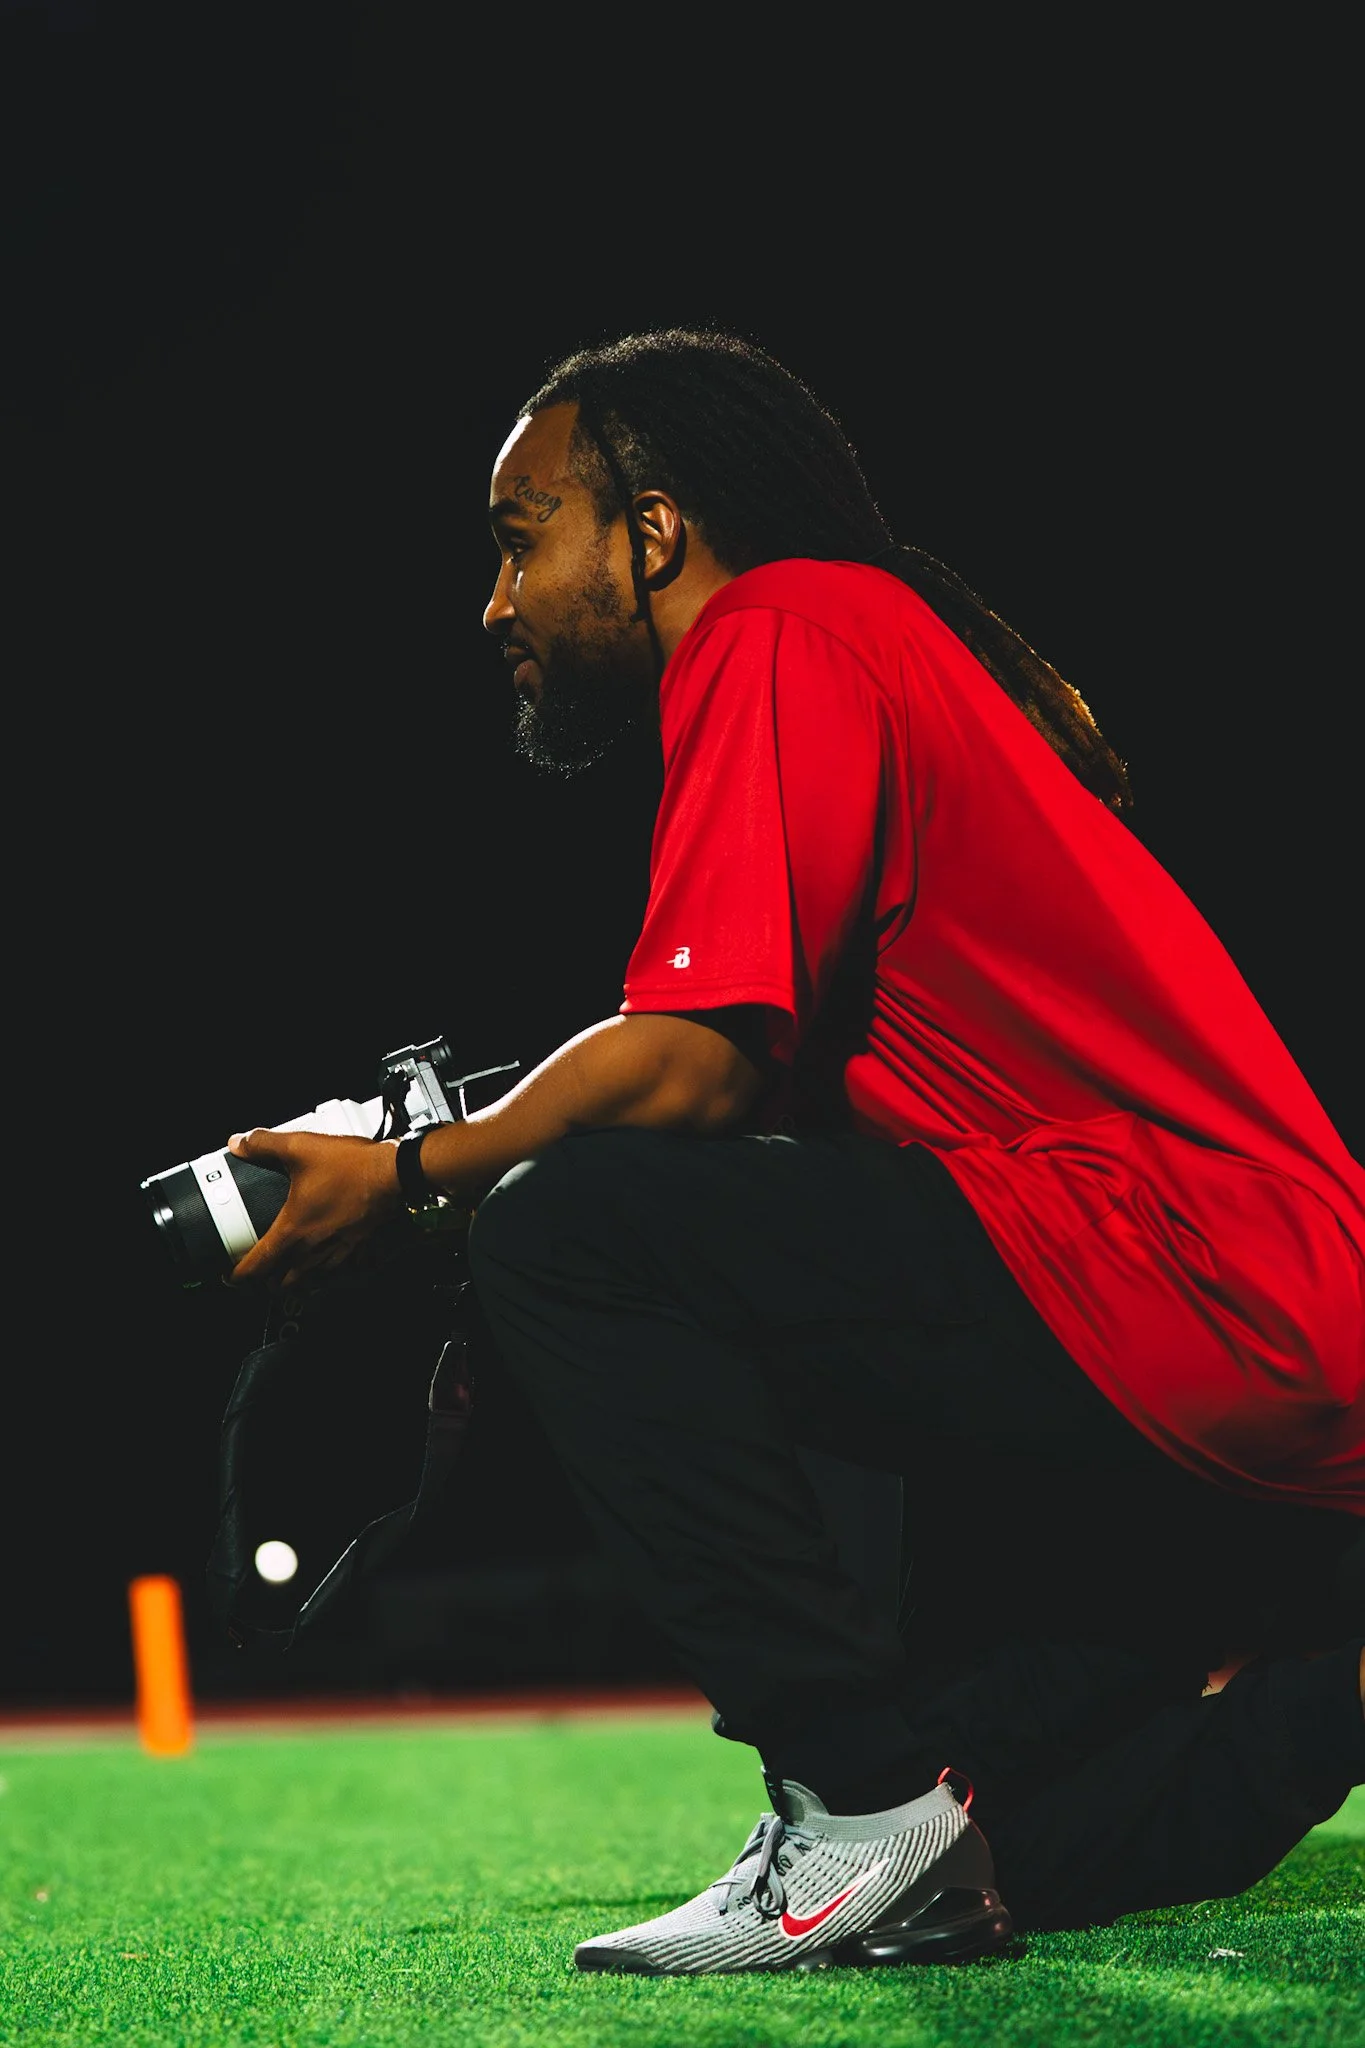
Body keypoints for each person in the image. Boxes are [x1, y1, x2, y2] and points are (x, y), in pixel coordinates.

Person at [228, 330, 1364, 1976]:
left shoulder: (778, 626)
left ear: (654, 534)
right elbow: (750, 1108)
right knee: (1000, 1836)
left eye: (520, 539)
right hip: (1227, 1321)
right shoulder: (863, 638)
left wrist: (421, 1180)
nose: (495, 603)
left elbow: (691, 1068)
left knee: (564, 1232)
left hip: (1171, 1277)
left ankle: (851, 1809)